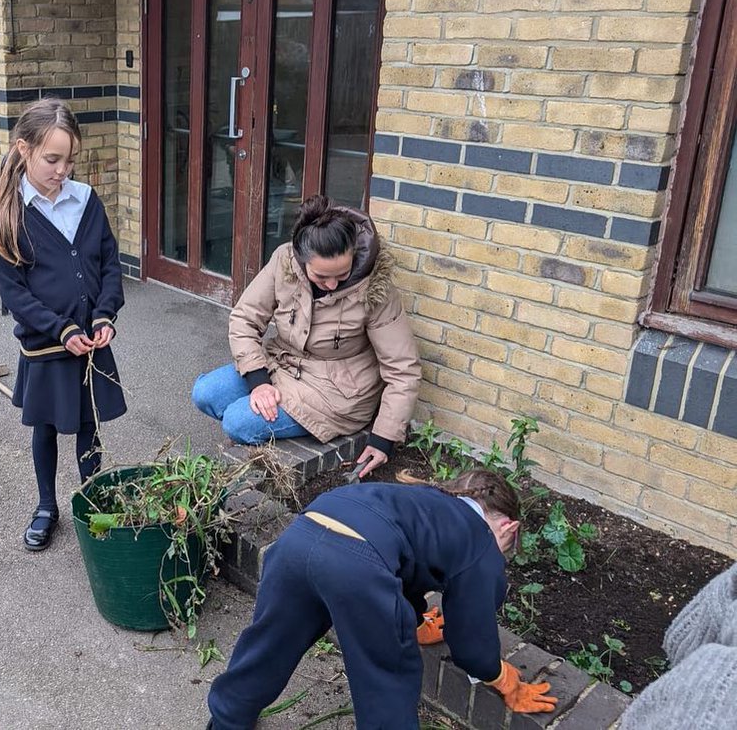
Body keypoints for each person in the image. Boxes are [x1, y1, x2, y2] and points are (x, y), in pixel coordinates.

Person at [206, 469, 558, 730]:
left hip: (301, 536)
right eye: (508, 550)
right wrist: (501, 677)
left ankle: (228, 719)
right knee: (387, 678)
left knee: (271, 642)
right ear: (508, 527)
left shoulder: (424, 502)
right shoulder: (483, 542)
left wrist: (416, 621)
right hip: (356, 564)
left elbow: (404, 559)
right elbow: (470, 640)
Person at [192, 195, 421, 478]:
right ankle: (267, 428)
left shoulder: (376, 287)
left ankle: (267, 446)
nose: (332, 284)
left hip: (335, 393)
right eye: (321, 276)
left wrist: (384, 437)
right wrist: (258, 382)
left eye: (343, 274)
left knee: (237, 422)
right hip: (283, 364)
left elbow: (403, 369)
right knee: (206, 393)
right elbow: (244, 319)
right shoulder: (283, 262)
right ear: (301, 259)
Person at [0, 97, 125, 552]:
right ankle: (46, 505)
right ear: (23, 149)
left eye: (69, 160)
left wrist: (104, 313)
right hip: (48, 346)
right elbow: (15, 295)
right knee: (45, 426)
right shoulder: (8, 217)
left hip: (90, 341)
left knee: (90, 424)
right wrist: (61, 329)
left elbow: (108, 264)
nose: (62, 169)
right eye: (52, 159)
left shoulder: (85, 201)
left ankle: (95, 498)